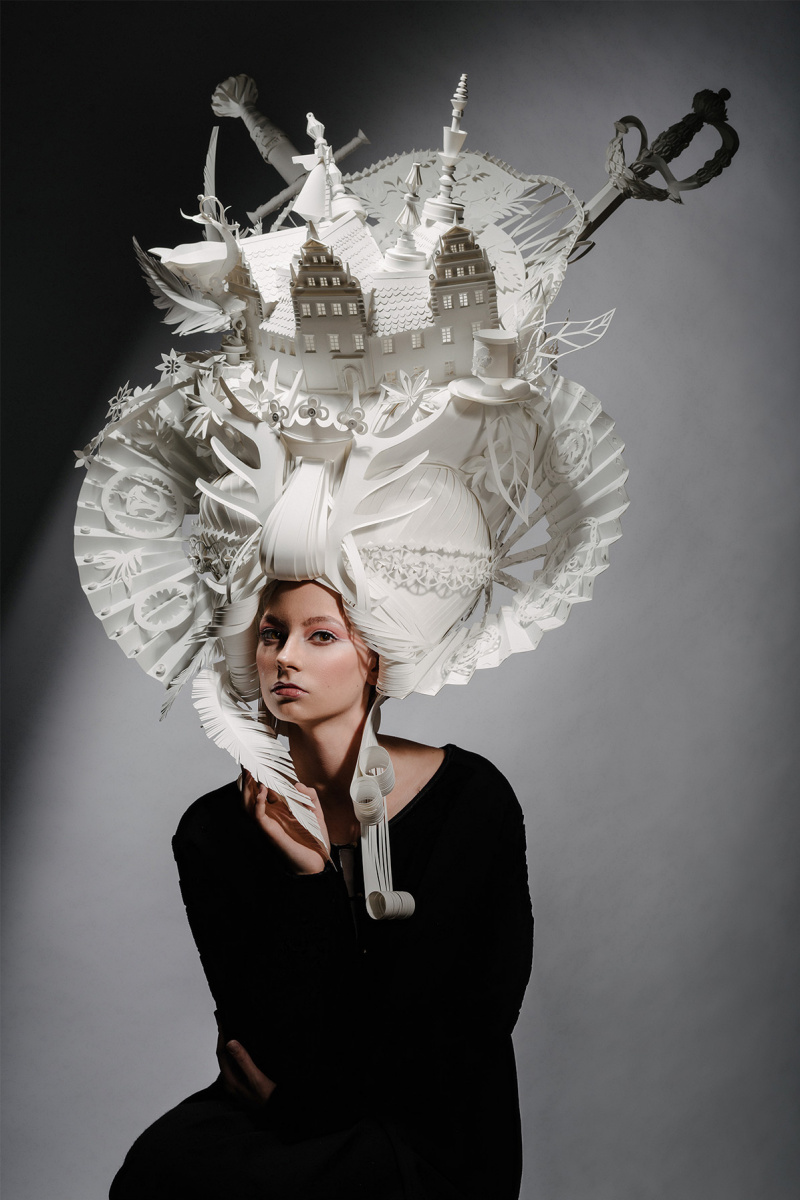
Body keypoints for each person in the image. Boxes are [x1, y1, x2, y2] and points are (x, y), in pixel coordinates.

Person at [109, 578, 533, 1200]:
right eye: (271, 634)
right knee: (160, 1169)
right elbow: (264, 1039)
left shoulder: (471, 799)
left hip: (433, 1124)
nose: (285, 657)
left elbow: (462, 1027)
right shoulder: (212, 831)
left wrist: (298, 1107)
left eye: (321, 636)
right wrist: (308, 880)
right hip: (292, 1098)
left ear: (376, 660)